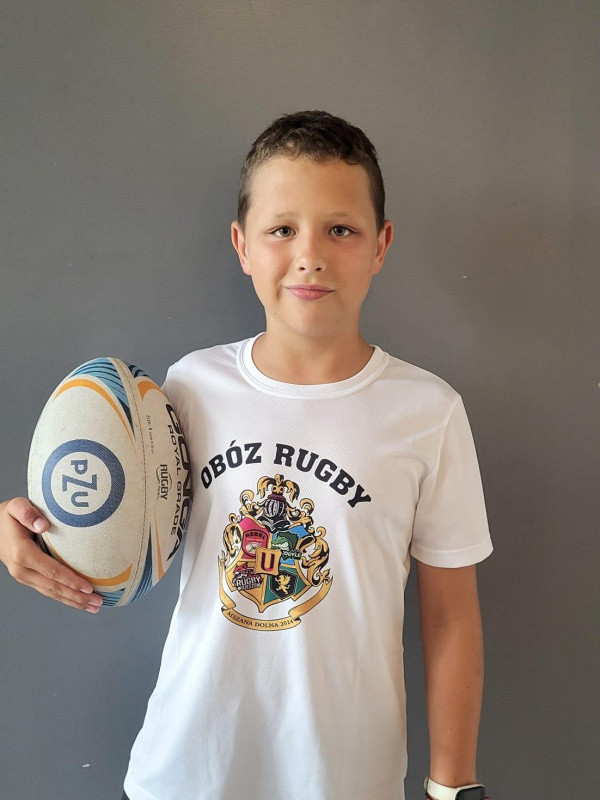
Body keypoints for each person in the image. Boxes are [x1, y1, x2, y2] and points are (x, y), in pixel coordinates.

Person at [0, 110, 493, 800]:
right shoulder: (185, 389)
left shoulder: (428, 411)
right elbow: (112, 516)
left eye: (341, 229)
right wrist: (34, 533)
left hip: (344, 779)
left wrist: (453, 788)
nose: (310, 255)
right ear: (242, 245)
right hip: (187, 771)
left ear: (381, 244)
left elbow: (450, 619)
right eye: (281, 229)